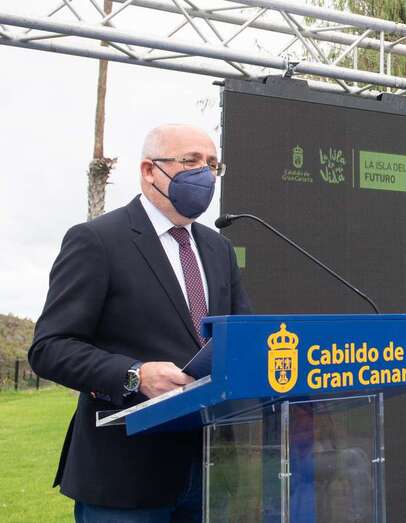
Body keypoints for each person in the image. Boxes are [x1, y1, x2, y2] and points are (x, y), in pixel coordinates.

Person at [29, 124, 251, 522]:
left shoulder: (219, 248)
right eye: (190, 161)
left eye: (212, 164)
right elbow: (50, 347)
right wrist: (135, 375)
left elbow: (242, 334)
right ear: (150, 170)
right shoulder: (96, 240)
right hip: (125, 477)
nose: (205, 173)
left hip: (210, 472)